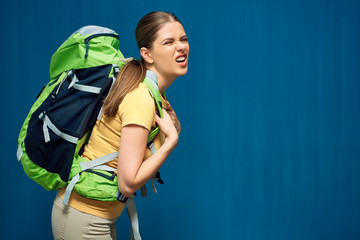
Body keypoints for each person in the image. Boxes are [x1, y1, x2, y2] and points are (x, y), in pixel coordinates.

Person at [51, 11, 189, 239]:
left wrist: (174, 130)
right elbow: (128, 183)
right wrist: (171, 143)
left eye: (183, 39)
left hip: (96, 216)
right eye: (169, 42)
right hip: (83, 218)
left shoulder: (152, 91)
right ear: (147, 54)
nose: (181, 47)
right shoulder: (141, 97)